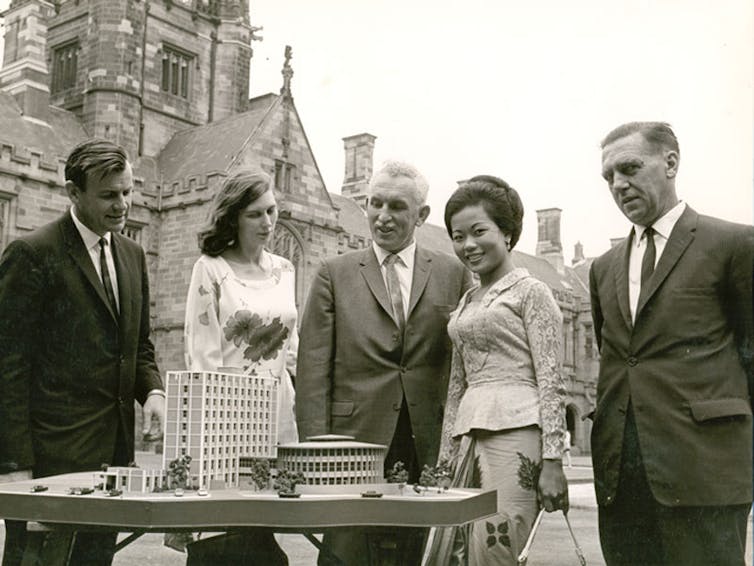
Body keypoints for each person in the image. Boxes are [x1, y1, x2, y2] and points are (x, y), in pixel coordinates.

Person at [590, 121, 753, 565]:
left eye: (629, 168)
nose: (618, 184)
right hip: (622, 482)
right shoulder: (603, 268)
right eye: (608, 177)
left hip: (706, 475)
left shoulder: (734, 244)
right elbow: (621, 361)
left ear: (670, 163)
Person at [297, 160, 472, 565]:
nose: (382, 216)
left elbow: (460, 366)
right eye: (375, 204)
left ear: (422, 215)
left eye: (396, 207)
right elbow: (312, 370)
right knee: (347, 553)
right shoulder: (333, 273)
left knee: (419, 551)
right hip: (350, 443)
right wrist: (315, 450)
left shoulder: (452, 273)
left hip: (424, 441)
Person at [0, 138, 165, 566]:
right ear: (73, 192)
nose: (123, 204)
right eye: (109, 195)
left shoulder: (132, 255)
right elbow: (7, 368)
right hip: (50, 466)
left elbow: (139, 345)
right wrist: (16, 467)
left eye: (127, 192)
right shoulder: (32, 253)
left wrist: (154, 394)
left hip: (113, 462)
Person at [429, 175, 568, 565]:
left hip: (518, 433)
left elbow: (551, 381)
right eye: (458, 236)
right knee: (452, 551)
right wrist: (445, 461)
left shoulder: (532, 292)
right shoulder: (467, 302)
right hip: (467, 437)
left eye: (478, 232)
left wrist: (554, 461)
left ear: (507, 233)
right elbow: (457, 387)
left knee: (496, 547)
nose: (468, 245)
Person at [182, 170, 297, 565]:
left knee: (264, 528)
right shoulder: (211, 269)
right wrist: (213, 430)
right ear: (233, 216)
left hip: (278, 411)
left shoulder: (285, 269)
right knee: (226, 536)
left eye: (272, 211)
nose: (267, 223)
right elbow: (202, 355)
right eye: (255, 214)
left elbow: (291, 349)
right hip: (226, 416)